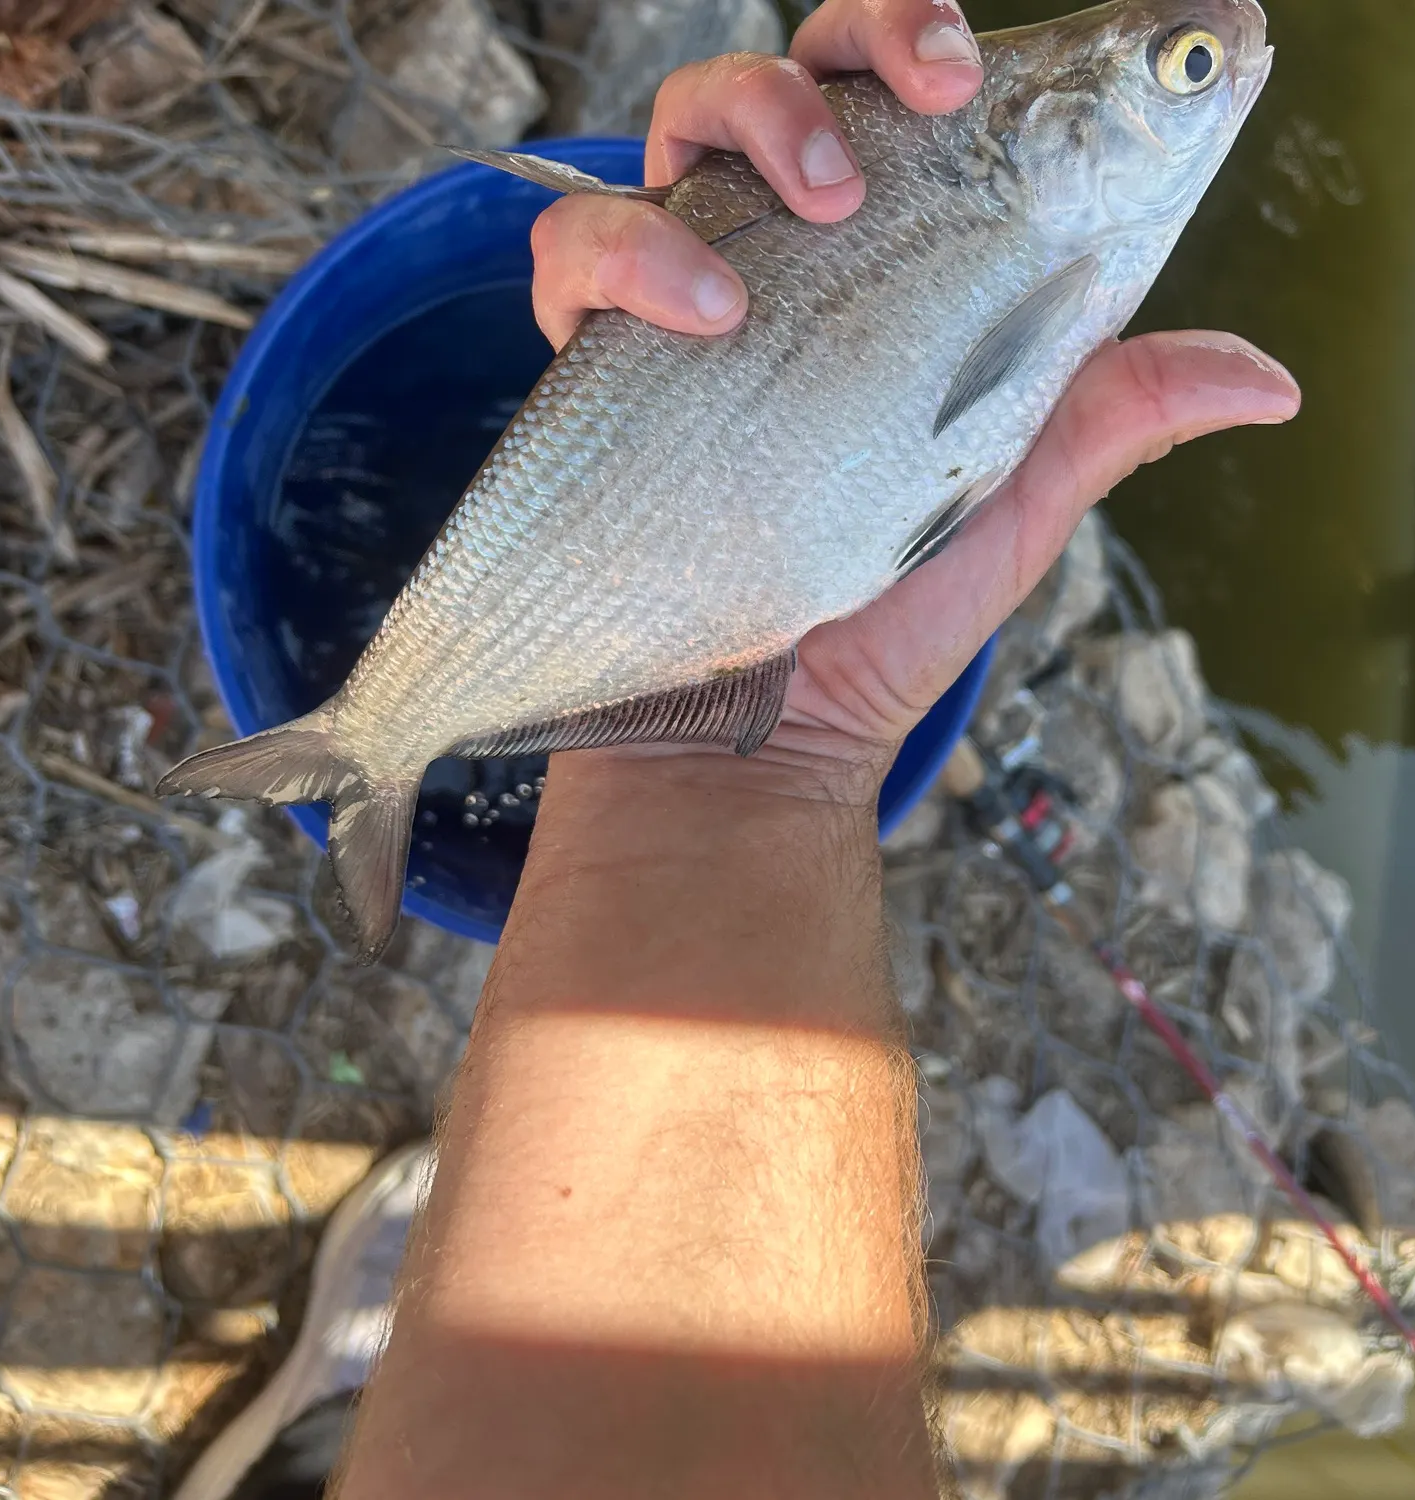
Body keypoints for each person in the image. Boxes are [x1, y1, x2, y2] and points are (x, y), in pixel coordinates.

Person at [183, 1, 1300, 1495]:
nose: (1223, 57)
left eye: (1187, 63)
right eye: (1185, 65)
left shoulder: (1048, 224)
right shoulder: (1046, 224)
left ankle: (377, 1399)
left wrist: (764, 752)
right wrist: (766, 762)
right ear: (1062, 131)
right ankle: (408, 1357)